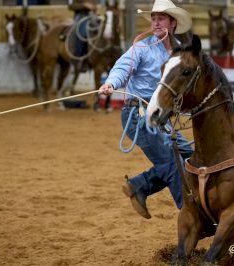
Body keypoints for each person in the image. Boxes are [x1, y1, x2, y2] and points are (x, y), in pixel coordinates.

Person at [98, 0, 194, 219]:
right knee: (172, 163)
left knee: (191, 157)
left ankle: (139, 185)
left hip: (161, 118)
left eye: (161, 18)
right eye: (153, 18)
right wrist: (111, 83)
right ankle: (190, 214)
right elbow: (122, 67)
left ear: (172, 23)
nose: (156, 22)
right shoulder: (141, 47)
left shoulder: (180, 53)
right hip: (138, 115)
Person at [68, 0, 97, 72]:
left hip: (91, 16)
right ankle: (79, 59)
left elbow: (94, 6)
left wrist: (93, 7)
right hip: (80, 16)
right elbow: (71, 6)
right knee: (83, 33)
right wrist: (84, 5)